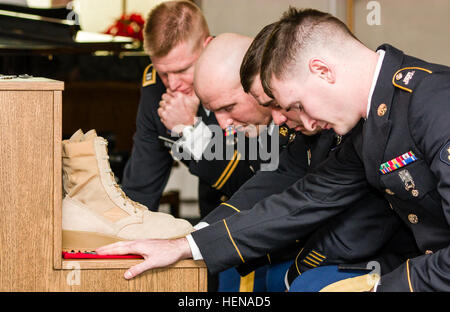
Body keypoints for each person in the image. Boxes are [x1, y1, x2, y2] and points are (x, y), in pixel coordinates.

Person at [96, 26, 418, 291]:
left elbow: (268, 186)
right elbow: (269, 188)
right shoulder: (296, 115)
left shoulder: (405, 109)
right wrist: (189, 240)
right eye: (164, 73)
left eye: (181, 70)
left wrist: (300, 269)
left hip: (348, 245)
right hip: (272, 227)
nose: (279, 118)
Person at [120, 1, 258, 219]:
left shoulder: (240, 76)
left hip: (258, 216)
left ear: (208, 45)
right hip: (210, 217)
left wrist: (189, 130)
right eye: (164, 72)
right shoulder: (156, 88)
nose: (172, 84)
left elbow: (252, 184)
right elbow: (141, 185)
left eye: (183, 69)